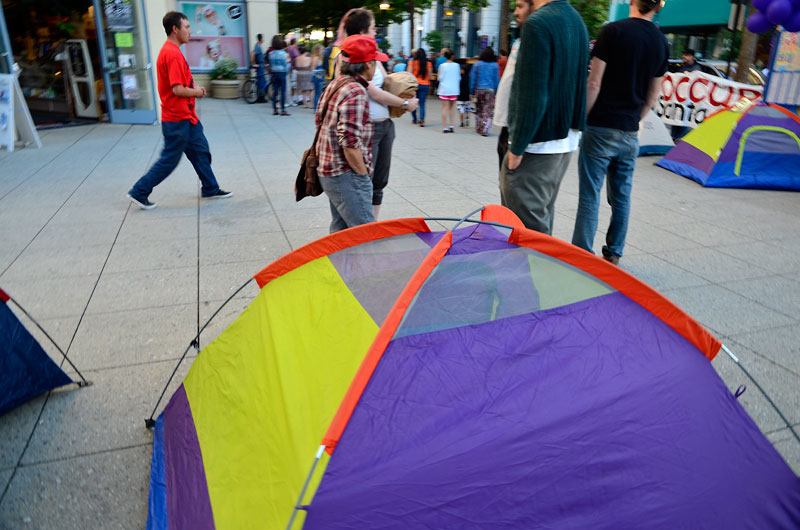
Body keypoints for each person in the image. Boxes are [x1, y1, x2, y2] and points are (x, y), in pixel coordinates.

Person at [571, 0, 668, 265]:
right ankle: (614, 251)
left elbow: (594, 83)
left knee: (590, 194)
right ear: (657, 6)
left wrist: (581, 119)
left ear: (633, 1)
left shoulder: (612, 31)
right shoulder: (661, 42)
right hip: (629, 131)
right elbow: (653, 95)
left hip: (600, 126)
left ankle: (581, 254)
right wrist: (633, 119)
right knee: (622, 195)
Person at [499, 0, 588, 234]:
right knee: (542, 217)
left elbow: (533, 93)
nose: (517, 10)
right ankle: (539, 267)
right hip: (565, 138)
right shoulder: (576, 21)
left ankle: (535, 270)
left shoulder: (538, 23)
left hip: (538, 142)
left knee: (527, 230)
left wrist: (517, 147)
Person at [127, 11, 231, 210]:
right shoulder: (172, 53)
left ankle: (210, 187)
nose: (190, 31)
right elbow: (178, 89)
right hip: (176, 119)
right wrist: (197, 92)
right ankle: (139, 191)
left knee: (201, 150)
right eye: (187, 27)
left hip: (187, 116)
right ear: (175, 29)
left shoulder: (172, 51)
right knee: (169, 160)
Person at [342, 8, 419, 219]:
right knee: (365, 178)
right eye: (373, 27)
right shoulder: (349, 58)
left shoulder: (372, 56)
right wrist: (405, 103)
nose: (376, 31)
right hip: (367, 128)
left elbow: (385, 83)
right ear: (362, 30)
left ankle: (372, 224)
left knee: (379, 181)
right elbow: (375, 92)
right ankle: (364, 225)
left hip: (384, 125)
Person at [316, 34, 382, 233]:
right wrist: (362, 177)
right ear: (367, 64)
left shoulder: (337, 83)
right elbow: (349, 142)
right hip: (345, 173)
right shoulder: (355, 91)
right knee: (364, 235)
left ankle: (338, 265)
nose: (377, 67)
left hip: (330, 169)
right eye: (376, 62)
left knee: (341, 234)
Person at [493, 0, 535, 168]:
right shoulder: (520, 41)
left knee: (512, 183)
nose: (516, 12)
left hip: (517, 127)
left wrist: (518, 146)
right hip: (507, 123)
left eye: (520, 6)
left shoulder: (535, 40)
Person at [469, 46, 499, 136]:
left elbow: (473, 79)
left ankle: (478, 127)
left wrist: (471, 91)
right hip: (490, 90)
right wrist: (496, 92)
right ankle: (485, 128)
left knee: (479, 109)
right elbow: (496, 80)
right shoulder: (495, 65)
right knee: (488, 110)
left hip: (479, 90)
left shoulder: (477, 65)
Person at [671, 48, 700, 142]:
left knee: (684, 120)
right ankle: (674, 138)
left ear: (692, 57)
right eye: (683, 54)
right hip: (679, 100)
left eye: (686, 55)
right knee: (676, 119)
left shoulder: (696, 69)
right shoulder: (683, 67)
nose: (683, 56)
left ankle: (680, 140)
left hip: (688, 101)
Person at [437, 49, 461, 133]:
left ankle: (444, 127)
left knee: (444, 107)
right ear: (453, 56)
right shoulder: (457, 65)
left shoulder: (442, 66)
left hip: (444, 89)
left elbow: (440, 78)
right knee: (451, 108)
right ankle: (452, 125)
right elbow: (458, 77)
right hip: (454, 89)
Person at [407, 48, 432, 126]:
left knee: (413, 101)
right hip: (425, 84)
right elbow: (430, 76)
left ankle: (414, 119)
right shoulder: (429, 64)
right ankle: (422, 119)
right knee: (422, 103)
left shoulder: (412, 63)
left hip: (414, 85)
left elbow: (408, 75)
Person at [268, 35, 290, 116]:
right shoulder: (284, 54)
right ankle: (283, 109)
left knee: (275, 91)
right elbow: (285, 65)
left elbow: (270, 65)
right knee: (283, 92)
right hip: (282, 73)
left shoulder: (271, 53)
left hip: (274, 73)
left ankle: (275, 109)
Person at [295, 44, 313, 108]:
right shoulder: (309, 58)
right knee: (310, 89)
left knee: (303, 90)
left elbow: (296, 67)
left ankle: (305, 104)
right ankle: (311, 104)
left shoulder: (297, 58)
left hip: (299, 73)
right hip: (307, 73)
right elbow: (311, 66)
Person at [251, 33, 266, 102]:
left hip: (262, 65)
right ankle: (260, 98)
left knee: (262, 81)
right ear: (261, 39)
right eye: (263, 38)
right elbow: (252, 54)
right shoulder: (257, 46)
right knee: (261, 81)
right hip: (260, 66)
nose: (264, 39)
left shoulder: (259, 46)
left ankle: (261, 97)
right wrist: (253, 63)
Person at [457, 62, 473, 127]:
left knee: (461, 110)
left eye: (461, 69)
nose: (460, 70)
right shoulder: (469, 78)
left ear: (464, 70)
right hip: (467, 96)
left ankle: (461, 122)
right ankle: (467, 117)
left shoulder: (459, 78)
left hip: (460, 96)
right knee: (467, 108)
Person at [286, 38, 301, 105]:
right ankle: (292, 100)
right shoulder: (291, 49)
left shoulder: (294, 48)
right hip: (293, 69)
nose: (297, 43)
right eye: (297, 42)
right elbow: (289, 58)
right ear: (294, 42)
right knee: (293, 85)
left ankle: (295, 99)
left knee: (295, 85)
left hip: (295, 68)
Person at [311, 44, 325, 109]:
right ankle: (316, 108)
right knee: (317, 93)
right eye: (322, 49)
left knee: (320, 93)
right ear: (318, 50)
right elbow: (313, 69)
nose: (323, 51)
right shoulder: (316, 58)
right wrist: (317, 76)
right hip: (317, 77)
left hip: (321, 76)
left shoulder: (321, 57)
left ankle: (318, 107)